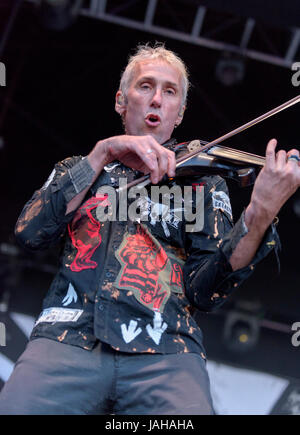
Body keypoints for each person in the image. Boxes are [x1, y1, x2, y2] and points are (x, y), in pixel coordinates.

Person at [0, 43, 299, 415]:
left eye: (170, 91)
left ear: (179, 114)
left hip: (167, 350)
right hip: (67, 338)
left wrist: (259, 214)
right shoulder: (78, 169)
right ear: (120, 102)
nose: (157, 99)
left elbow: (205, 290)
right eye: (145, 86)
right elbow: (30, 233)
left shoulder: (203, 185)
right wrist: (102, 153)